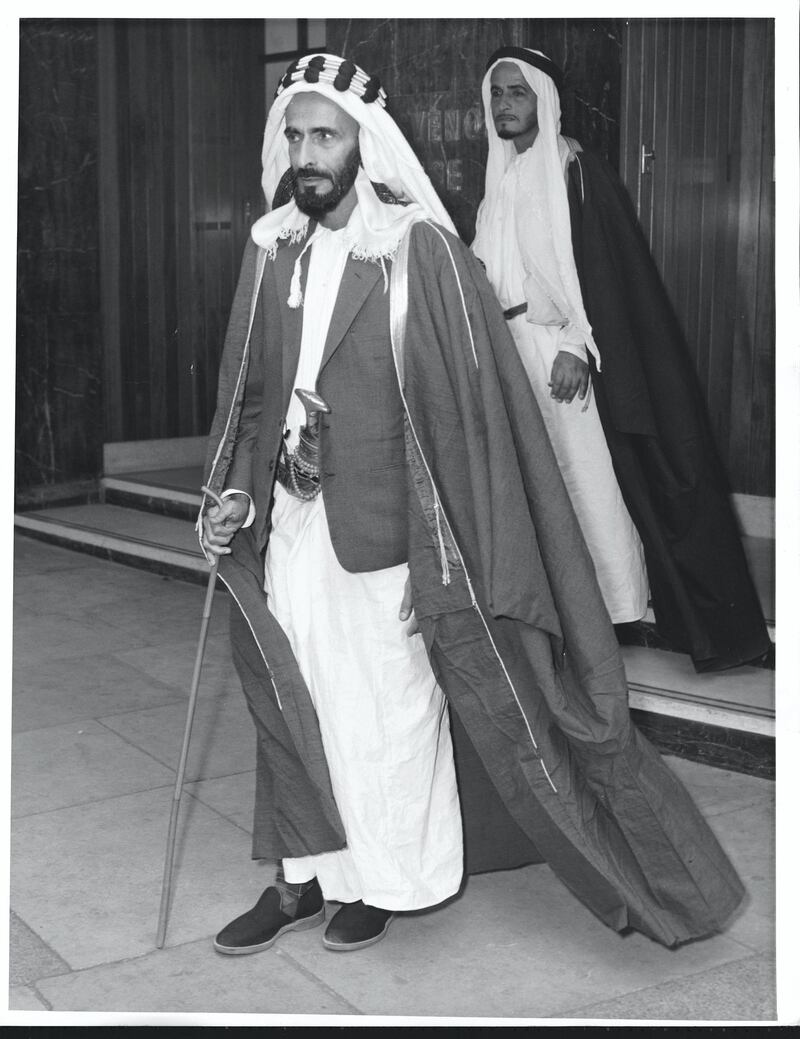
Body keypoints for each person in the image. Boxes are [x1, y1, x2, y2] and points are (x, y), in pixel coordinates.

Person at [200, 52, 744, 958]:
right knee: (292, 702)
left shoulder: (422, 255)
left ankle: (382, 884)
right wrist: (227, 495)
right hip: (290, 521)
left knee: (387, 713)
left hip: (392, 535)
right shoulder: (271, 254)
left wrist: (443, 553)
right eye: (293, 134)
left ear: (362, 145)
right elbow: (244, 401)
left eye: (324, 134)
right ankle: (301, 879)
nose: (306, 152)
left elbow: (467, 425)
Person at [472, 46, 772, 672]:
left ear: (543, 100)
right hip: (512, 352)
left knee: (589, 481)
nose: (505, 104)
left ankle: (618, 610)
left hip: (562, 349)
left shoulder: (571, 167)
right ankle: (567, 610)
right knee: (544, 484)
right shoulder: (499, 180)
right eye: (497, 94)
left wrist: (574, 344)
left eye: (517, 93)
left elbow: (594, 271)